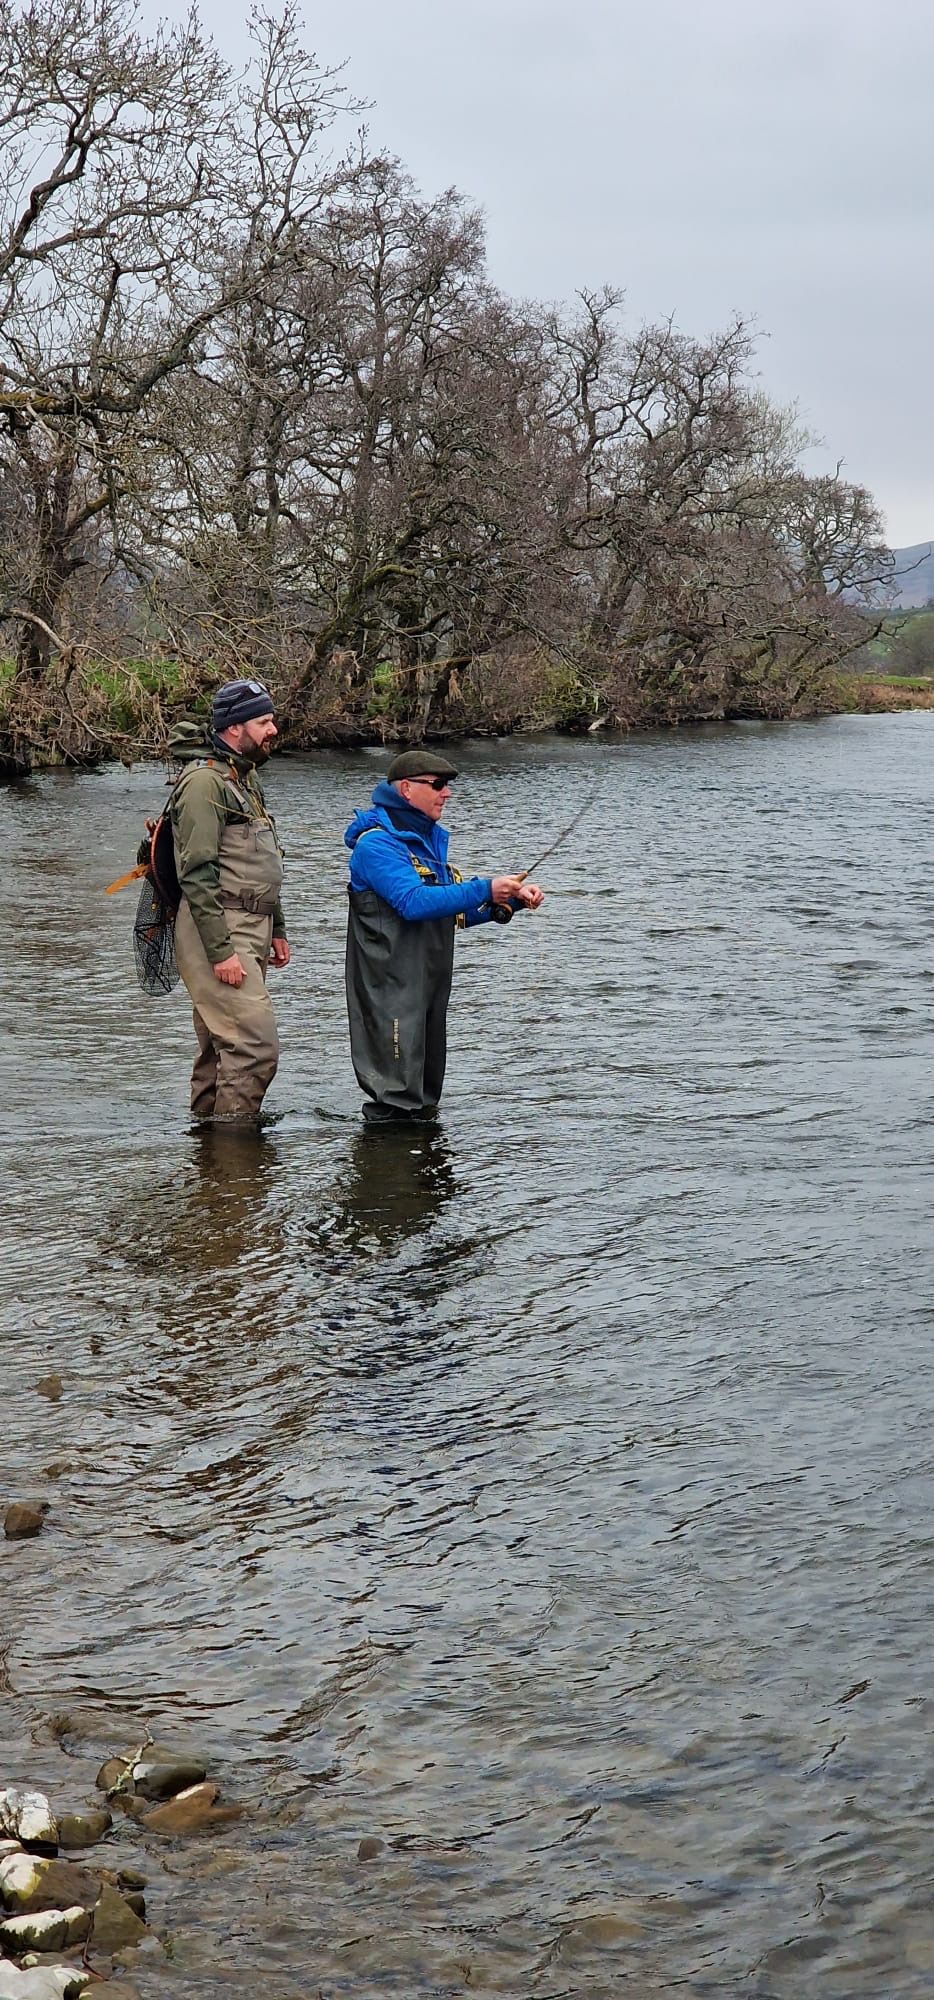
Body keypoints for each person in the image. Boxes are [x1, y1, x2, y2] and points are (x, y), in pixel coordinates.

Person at [344, 750, 543, 1123]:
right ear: (406, 789)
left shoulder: (428, 842)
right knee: (396, 1102)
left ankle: (419, 1172)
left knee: (424, 1096)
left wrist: (510, 901)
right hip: (391, 988)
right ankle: (390, 1174)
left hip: (427, 987)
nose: (446, 793)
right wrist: (486, 887)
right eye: (437, 784)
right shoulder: (376, 845)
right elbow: (414, 903)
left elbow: (455, 912)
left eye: (447, 786)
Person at [167, 678, 290, 1124]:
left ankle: (211, 1162)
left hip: (250, 928)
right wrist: (221, 951)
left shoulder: (244, 777)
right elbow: (197, 875)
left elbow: (260, 860)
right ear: (234, 728)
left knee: (220, 1049)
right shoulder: (204, 784)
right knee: (255, 1046)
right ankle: (236, 1158)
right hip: (217, 930)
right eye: (263, 721)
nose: (273, 729)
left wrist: (277, 927)